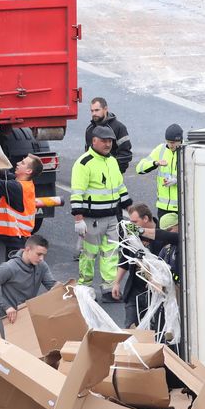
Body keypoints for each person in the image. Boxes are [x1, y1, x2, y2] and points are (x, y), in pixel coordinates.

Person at [71, 125, 131, 299]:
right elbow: (77, 193)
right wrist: (78, 219)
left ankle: (109, 289)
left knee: (111, 253)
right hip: (92, 219)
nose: (108, 144)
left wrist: (130, 209)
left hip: (112, 217)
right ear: (94, 141)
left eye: (110, 141)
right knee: (88, 254)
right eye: (104, 141)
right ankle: (85, 288)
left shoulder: (112, 161)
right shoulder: (84, 163)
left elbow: (121, 187)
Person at [112, 204, 179, 328]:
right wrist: (116, 283)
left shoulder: (164, 238)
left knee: (155, 331)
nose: (131, 225)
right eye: (130, 222)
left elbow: (164, 238)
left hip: (156, 293)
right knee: (131, 329)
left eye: (134, 222)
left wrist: (139, 231)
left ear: (146, 219)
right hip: (135, 292)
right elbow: (125, 260)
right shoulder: (132, 236)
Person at [0, 235, 56, 329]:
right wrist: (7, 307)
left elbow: (52, 285)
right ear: (28, 249)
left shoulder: (42, 266)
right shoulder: (9, 268)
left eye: (44, 255)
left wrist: (67, 289)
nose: (42, 258)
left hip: (28, 317)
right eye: (39, 254)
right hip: (9, 320)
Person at [0, 154, 42, 257]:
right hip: (18, 238)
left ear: (28, 171)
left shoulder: (15, 188)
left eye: (22, 163)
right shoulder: (26, 183)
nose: (17, 163)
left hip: (16, 239)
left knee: (15, 270)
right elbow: (6, 175)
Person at [135, 123, 184, 228]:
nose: (171, 145)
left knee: (180, 240)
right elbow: (139, 168)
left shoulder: (186, 151)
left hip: (182, 208)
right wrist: (155, 163)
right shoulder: (161, 149)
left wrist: (177, 180)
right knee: (163, 239)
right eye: (168, 142)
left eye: (173, 142)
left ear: (180, 140)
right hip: (164, 207)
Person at [84, 97, 132, 174]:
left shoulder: (119, 127)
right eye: (92, 111)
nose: (94, 114)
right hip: (94, 174)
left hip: (113, 174)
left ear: (105, 109)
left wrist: (115, 171)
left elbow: (126, 155)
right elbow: (87, 153)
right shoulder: (89, 129)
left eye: (97, 110)